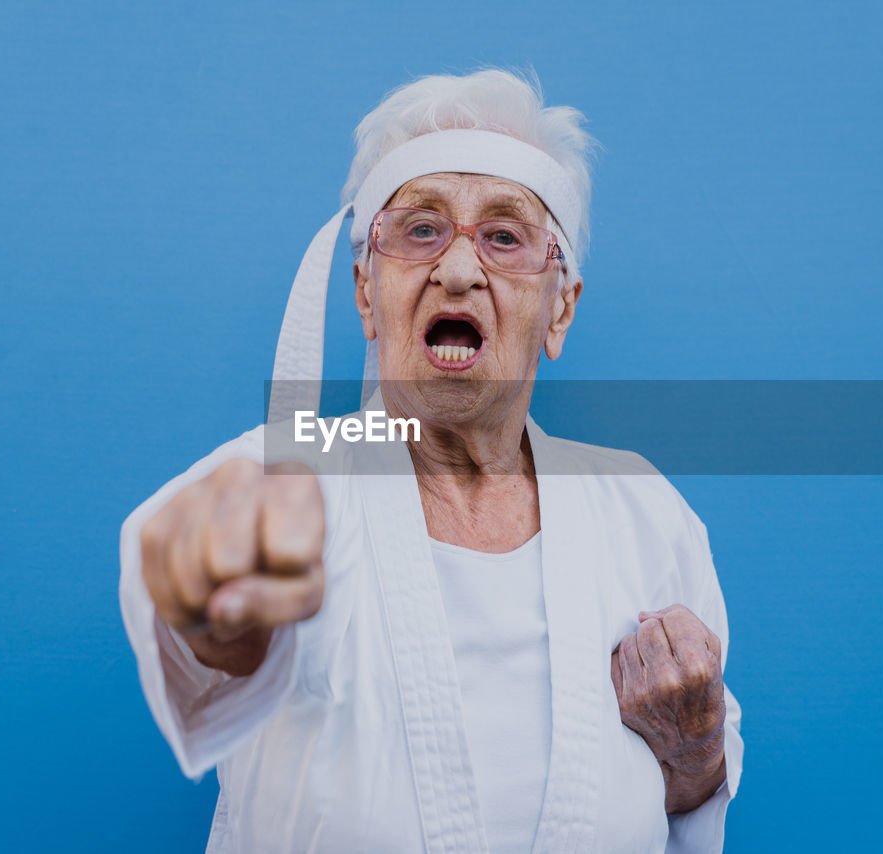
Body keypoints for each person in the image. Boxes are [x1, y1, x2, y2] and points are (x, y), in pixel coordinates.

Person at [120, 69, 742, 853]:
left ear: (560, 309)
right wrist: (219, 618)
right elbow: (198, 648)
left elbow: (691, 794)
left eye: (504, 236)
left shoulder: (641, 509)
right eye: (420, 230)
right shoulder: (280, 480)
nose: (457, 269)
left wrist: (693, 751)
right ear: (366, 295)